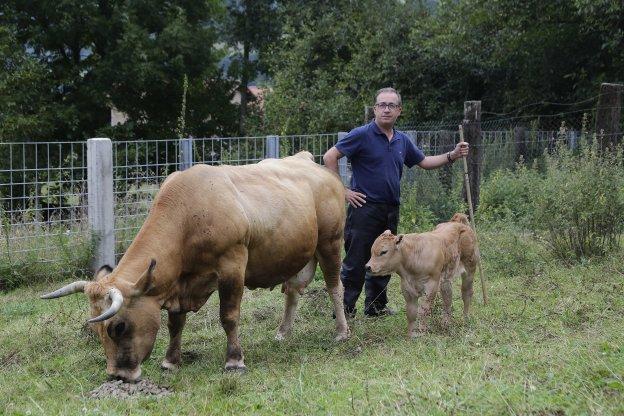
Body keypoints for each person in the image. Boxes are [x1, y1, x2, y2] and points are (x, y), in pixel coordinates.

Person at [323, 87, 469, 317]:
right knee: (356, 260)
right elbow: (330, 156)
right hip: (364, 208)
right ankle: (344, 311)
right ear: (375, 109)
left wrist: (452, 155)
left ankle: (375, 307)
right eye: (382, 105)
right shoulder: (362, 134)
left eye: (391, 105)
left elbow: (425, 161)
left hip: (390, 208)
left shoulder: (402, 140)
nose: (386, 109)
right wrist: (343, 191)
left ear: (399, 110)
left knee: (387, 256)